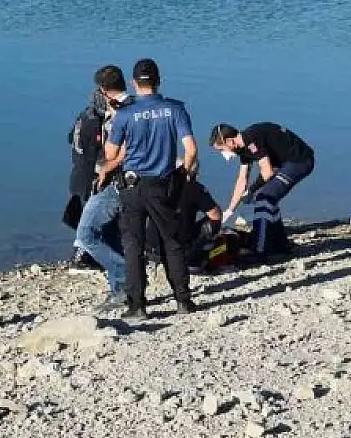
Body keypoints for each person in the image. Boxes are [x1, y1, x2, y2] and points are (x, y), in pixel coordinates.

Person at [103, 58, 199, 321]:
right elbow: (191, 150)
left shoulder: (124, 114)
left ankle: (138, 306)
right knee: (172, 241)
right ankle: (183, 300)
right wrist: (184, 174)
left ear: (134, 83)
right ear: (158, 81)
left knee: (133, 245)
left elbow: (110, 153)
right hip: (163, 184)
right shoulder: (175, 110)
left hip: (132, 186)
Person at [72, 65, 133, 310]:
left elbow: (129, 150)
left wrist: (106, 169)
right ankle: (124, 287)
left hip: (117, 181)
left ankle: (125, 281)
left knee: (85, 234)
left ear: (103, 90)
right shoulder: (130, 107)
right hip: (119, 181)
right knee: (108, 233)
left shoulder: (124, 112)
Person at [209, 122, 315, 260]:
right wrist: (230, 210)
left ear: (229, 141)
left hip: (299, 161)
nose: (223, 154)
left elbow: (267, 172)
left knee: (264, 198)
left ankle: (259, 249)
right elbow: (242, 180)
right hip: (285, 163)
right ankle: (281, 244)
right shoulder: (243, 149)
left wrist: (252, 190)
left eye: (221, 149)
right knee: (269, 199)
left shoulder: (252, 139)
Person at [145, 166, 224, 272]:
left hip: (153, 251)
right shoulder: (194, 188)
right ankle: (197, 258)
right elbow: (216, 216)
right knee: (224, 242)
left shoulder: (153, 186)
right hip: (182, 254)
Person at [64, 86, 108, 270]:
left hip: (77, 173)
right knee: (90, 217)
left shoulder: (82, 117)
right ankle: (81, 256)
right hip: (89, 177)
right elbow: (97, 156)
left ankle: (87, 253)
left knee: (86, 216)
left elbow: (69, 138)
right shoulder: (94, 123)